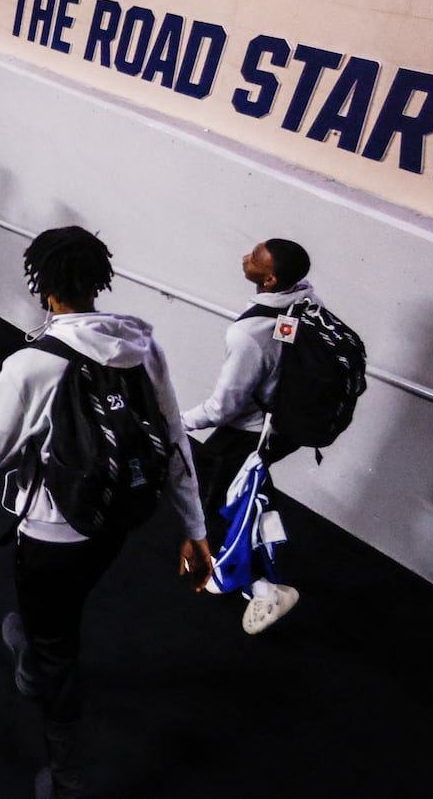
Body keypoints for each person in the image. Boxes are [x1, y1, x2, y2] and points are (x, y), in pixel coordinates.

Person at [0, 226, 211, 799]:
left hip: (50, 532)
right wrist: (194, 529)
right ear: (99, 282)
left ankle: (66, 778)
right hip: (115, 520)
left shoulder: (30, 365)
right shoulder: (143, 346)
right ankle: (37, 647)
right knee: (55, 613)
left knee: (56, 647)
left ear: (43, 288)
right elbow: (174, 439)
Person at [181, 237, 315, 635]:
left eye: (255, 258)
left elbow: (223, 408)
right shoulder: (308, 302)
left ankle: (262, 587)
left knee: (222, 502)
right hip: (282, 427)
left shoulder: (249, 336)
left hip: (247, 435)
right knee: (250, 496)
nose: (245, 257)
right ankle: (253, 568)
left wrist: (178, 420)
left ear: (270, 279)